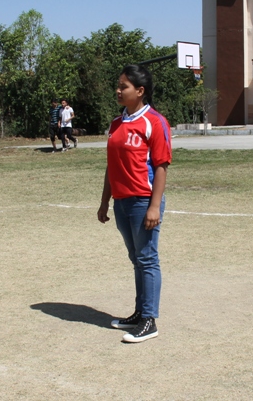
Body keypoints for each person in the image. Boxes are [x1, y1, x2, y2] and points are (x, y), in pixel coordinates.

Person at [97, 64, 172, 343]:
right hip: (121, 202)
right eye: (118, 85)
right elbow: (111, 165)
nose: (118, 90)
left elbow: (162, 166)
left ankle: (150, 321)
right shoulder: (117, 123)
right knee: (136, 259)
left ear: (140, 91)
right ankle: (140, 313)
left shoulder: (154, 121)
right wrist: (105, 201)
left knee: (147, 258)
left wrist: (154, 206)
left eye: (123, 86)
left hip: (143, 201)